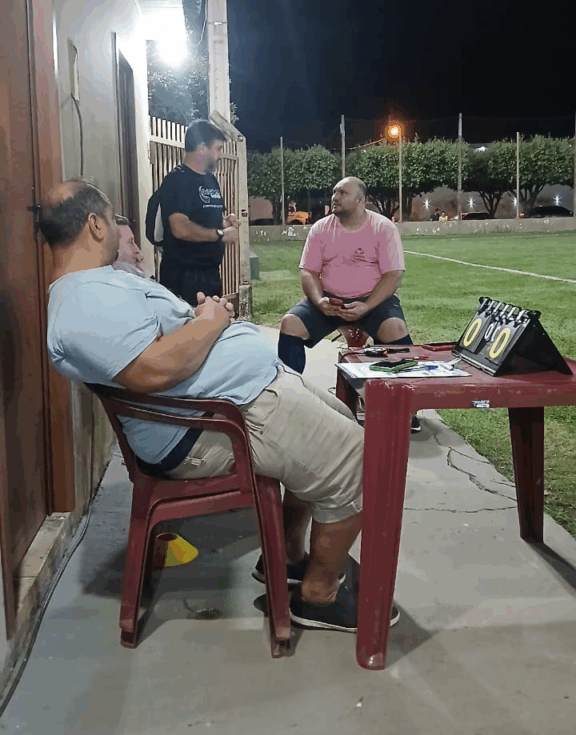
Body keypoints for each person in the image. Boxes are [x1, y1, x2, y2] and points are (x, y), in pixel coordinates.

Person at [39, 179, 400, 633]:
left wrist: (198, 320)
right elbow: (152, 371)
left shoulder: (98, 285)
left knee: (345, 422)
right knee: (363, 460)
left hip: (236, 397)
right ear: (94, 225)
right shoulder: (81, 302)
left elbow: (153, 348)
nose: (116, 231)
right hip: (214, 421)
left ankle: (288, 556)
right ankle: (318, 594)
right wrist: (210, 322)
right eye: (112, 221)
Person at [277, 176, 421, 433]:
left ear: (360, 200)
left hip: (373, 300)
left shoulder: (383, 227)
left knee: (395, 329)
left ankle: (405, 406)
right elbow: (308, 271)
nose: (335, 197)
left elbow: (393, 275)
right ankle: (290, 399)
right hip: (330, 299)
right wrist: (320, 301)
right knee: (291, 324)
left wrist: (367, 306)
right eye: (334, 192)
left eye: (342, 193)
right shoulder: (321, 228)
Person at [158, 119, 239, 306]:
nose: (220, 155)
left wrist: (225, 222)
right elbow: (180, 228)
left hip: (210, 275)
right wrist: (220, 234)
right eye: (218, 149)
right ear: (202, 148)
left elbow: (208, 219)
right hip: (182, 279)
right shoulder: (176, 180)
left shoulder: (211, 180)